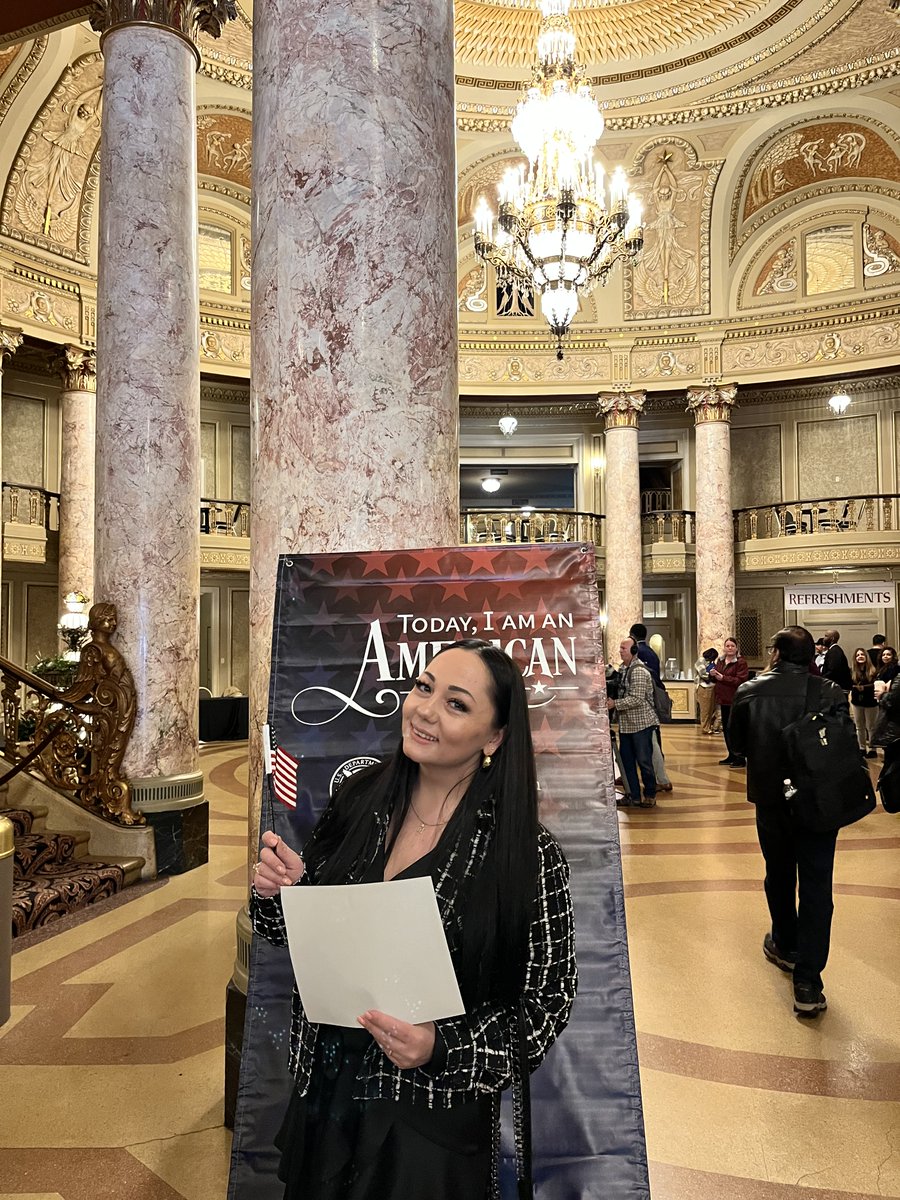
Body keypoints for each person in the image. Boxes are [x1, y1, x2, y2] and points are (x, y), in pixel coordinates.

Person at [250, 639, 578, 1200]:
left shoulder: (522, 852)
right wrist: (284, 893)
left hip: (429, 1127)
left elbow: (546, 1006)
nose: (424, 709)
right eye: (423, 687)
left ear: (495, 737)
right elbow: (290, 934)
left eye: (456, 704)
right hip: (327, 1094)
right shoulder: (360, 798)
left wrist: (440, 1048)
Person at [728, 626, 850, 1018]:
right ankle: (809, 982)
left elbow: (738, 745)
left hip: (772, 800)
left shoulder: (750, 692)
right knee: (817, 886)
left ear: (777, 654)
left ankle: (785, 942)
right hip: (818, 801)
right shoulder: (829, 690)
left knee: (778, 874)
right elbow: (843, 741)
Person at [608, 636, 658, 808]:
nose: (620, 651)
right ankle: (633, 795)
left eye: (623, 648)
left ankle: (650, 795)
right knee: (626, 761)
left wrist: (615, 704)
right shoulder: (624, 669)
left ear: (634, 651)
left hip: (641, 724)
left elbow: (636, 698)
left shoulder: (638, 671)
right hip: (627, 724)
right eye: (620, 647)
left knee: (644, 761)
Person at [629, 621, 672, 790]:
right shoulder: (651, 652)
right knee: (652, 742)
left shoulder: (639, 653)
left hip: (645, 707)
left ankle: (659, 779)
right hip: (651, 702)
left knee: (651, 744)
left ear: (632, 635)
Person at [710, 637, 749, 766]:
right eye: (727, 646)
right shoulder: (720, 661)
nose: (730, 648)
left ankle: (739, 757)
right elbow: (717, 678)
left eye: (732, 646)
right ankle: (731, 754)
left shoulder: (741, 662)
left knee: (735, 728)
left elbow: (740, 680)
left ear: (737, 648)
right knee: (726, 728)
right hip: (723, 699)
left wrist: (723, 678)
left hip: (735, 699)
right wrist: (713, 675)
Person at [849, 647, 878, 758]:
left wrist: (863, 688)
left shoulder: (873, 671)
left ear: (866, 657)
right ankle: (861, 748)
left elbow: (875, 684)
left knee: (871, 726)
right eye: (858, 655)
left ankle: (872, 748)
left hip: (870, 701)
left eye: (862, 655)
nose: (860, 656)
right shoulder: (852, 671)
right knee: (859, 726)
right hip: (857, 702)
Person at [694, 647, 719, 734]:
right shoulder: (701, 660)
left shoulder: (710, 662)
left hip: (711, 687)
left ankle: (709, 727)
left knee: (710, 709)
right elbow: (702, 673)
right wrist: (711, 674)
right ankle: (705, 728)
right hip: (704, 687)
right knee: (705, 709)